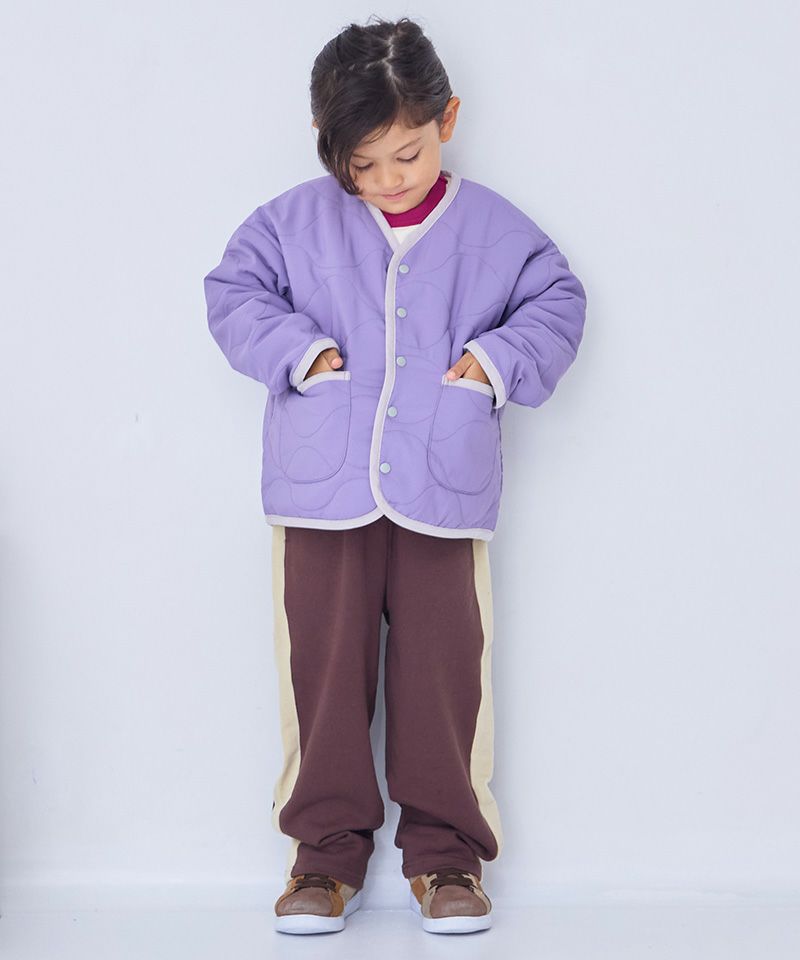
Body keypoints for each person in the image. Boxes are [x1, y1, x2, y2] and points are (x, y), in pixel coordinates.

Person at [203, 15, 587, 936]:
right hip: (320, 492)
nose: (386, 179)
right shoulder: (290, 223)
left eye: (406, 155)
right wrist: (301, 353)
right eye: (362, 164)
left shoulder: (495, 229)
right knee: (323, 675)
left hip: (443, 489)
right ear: (325, 143)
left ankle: (448, 856)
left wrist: (493, 364)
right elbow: (232, 292)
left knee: (444, 677)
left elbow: (559, 300)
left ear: (447, 120)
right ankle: (322, 858)